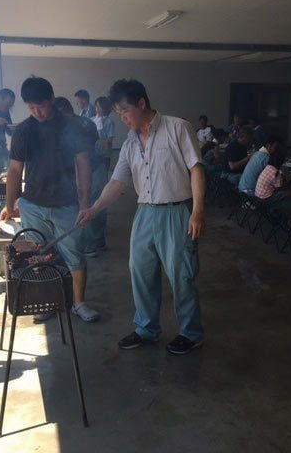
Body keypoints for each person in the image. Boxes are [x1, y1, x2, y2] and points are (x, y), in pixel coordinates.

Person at [77, 78, 205, 355]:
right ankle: (147, 329)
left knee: (181, 275)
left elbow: (196, 169)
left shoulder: (177, 128)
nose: (122, 118)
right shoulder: (130, 143)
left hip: (176, 212)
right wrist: (94, 209)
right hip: (145, 212)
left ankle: (191, 333)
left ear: (142, 103)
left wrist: (197, 212)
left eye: (125, 111)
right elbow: (116, 182)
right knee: (141, 272)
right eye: (118, 113)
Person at [0, 78, 99, 322]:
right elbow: (15, 171)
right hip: (33, 204)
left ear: (52, 100)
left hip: (66, 204)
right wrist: (9, 205)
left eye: (41, 106)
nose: (37, 112)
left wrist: (85, 202)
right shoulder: (23, 130)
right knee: (38, 256)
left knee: (74, 254)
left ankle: (78, 303)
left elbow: (83, 165)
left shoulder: (71, 126)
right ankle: (47, 301)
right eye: (31, 107)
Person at [54, 97, 108, 256]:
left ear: (61, 111)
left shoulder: (67, 126)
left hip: (85, 171)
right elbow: (97, 145)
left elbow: (80, 158)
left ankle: (90, 246)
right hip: (99, 168)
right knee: (99, 206)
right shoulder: (87, 122)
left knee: (84, 207)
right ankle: (99, 240)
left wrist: (77, 181)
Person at [0, 88, 16, 175]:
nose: (8, 108)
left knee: (7, 172)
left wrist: (14, 129)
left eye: (10, 106)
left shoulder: (6, 111)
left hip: (2, 148)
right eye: (7, 105)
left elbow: (9, 131)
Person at [92, 96, 115, 171]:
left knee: (104, 172)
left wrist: (101, 143)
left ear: (105, 108)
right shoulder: (92, 120)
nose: (97, 109)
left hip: (105, 154)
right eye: (96, 106)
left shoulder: (109, 121)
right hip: (94, 153)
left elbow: (110, 139)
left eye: (99, 107)